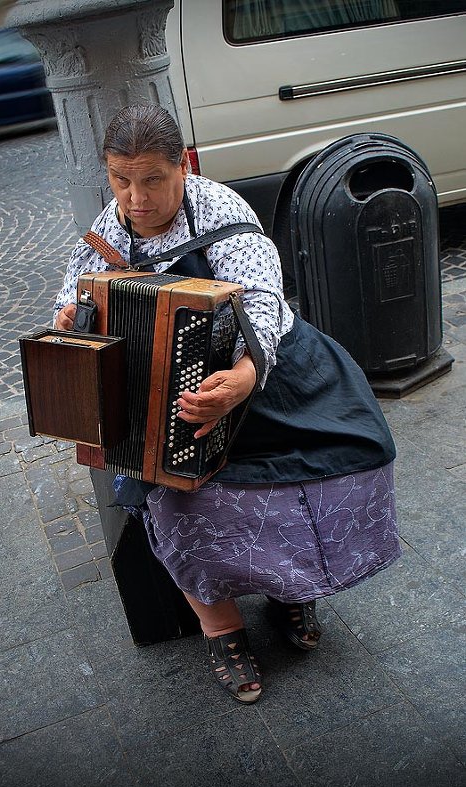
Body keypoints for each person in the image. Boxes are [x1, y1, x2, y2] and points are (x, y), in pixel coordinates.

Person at [53, 103, 401, 705]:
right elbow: (71, 296)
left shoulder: (221, 208)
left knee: (338, 464)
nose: (136, 198)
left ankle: (292, 594)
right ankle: (223, 631)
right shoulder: (108, 233)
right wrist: (69, 317)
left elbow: (263, 300)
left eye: (152, 180)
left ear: (182, 165)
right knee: (177, 506)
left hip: (264, 372)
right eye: (121, 179)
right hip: (174, 396)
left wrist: (245, 375)